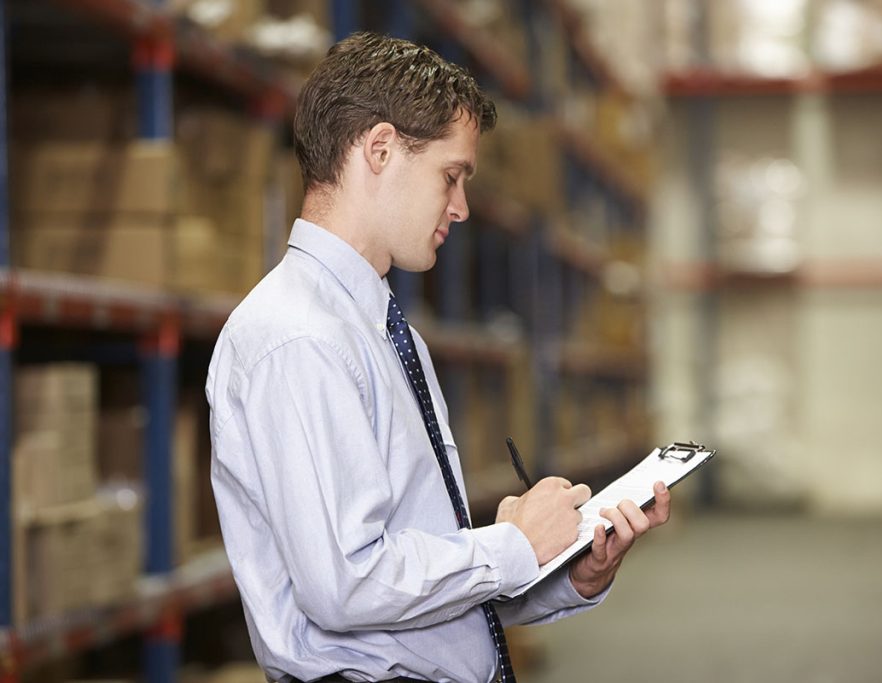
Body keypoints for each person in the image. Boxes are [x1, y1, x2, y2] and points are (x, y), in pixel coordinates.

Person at [206, 32, 671, 683]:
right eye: (450, 176)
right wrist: (508, 544)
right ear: (380, 149)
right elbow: (346, 583)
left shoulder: (382, 327)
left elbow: (417, 597)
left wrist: (568, 571)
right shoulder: (297, 336)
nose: (461, 206)